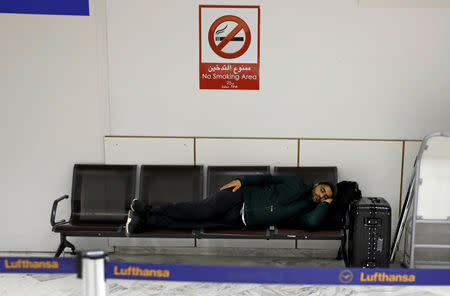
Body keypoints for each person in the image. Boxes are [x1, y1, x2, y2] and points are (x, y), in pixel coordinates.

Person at [125, 175, 336, 235]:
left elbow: (313, 224)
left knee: (197, 223)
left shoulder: (305, 210)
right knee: (201, 210)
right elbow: (265, 179)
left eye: (325, 196)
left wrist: (326, 205)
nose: (321, 195)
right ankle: (149, 209)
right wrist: (242, 181)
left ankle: (145, 222)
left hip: (240, 219)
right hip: (240, 196)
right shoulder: (295, 182)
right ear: (316, 185)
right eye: (322, 190)